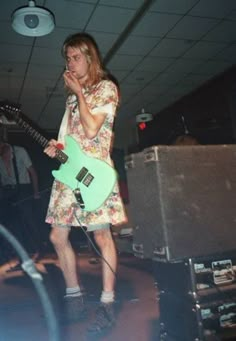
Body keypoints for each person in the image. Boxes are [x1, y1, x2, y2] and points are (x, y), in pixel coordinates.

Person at [43, 32, 127, 332]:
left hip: (95, 174)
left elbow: (92, 131)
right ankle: (74, 298)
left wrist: (80, 93)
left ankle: (107, 303)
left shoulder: (106, 88)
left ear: (90, 58)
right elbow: (70, 141)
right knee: (57, 236)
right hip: (71, 174)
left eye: (76, 57)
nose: (70, 62)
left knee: (102, 236)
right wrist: (57, 148)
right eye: (67, 58)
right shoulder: (69, 100)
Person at [0, 141, 41, 263]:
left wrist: (36, 192)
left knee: (28, 221)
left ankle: (38, 250)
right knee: (9, 224)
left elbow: (32, 172)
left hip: (23, 188)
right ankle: (11, 254)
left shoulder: (19, 151)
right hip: (7, 191)